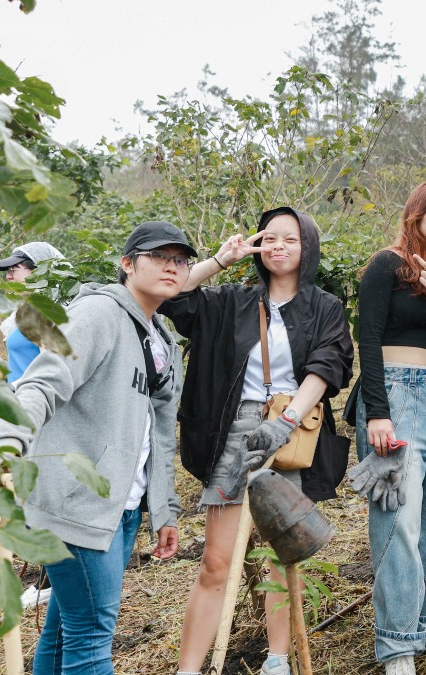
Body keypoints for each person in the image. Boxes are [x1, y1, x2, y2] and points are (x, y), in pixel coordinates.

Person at [0, 221, 188, 674]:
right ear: (127, 263)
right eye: (159, 256)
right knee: (93, 635)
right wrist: (5, 446)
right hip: (77, 499)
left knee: (66, 630)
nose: (171, 267)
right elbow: (43, 382)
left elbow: (158, 432)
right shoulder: (98, 314)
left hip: (122, 504)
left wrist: (164, 508)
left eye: (180, 260)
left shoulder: (163, 338)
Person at [165, 208, 354, 675]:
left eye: (290, 239)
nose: (278, 246)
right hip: (234, 432)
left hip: (292, 432)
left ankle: (278, 659)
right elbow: (173, 298)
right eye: (269, 238)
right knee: (216, 561)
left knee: (280, 557)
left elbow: (328, 367)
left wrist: (285, 420)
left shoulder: (324, 307)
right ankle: (188, 669)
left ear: (307, 246)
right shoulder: (231, 300)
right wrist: (218, 261)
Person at [349, 178, 426, 674]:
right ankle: (396, 645)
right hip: (394, 397)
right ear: (416, 215)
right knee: (398, 520)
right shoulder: (387, 266)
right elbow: (370, 339)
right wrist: (377, 410)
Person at [0, 242, 65, 434]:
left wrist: (12, 390)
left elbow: (52, 367)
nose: (8, 276)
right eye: (7, 271)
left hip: (36, 412)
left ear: (39, 271)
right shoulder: (26, 312)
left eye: (14, 269)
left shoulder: (47, 314)